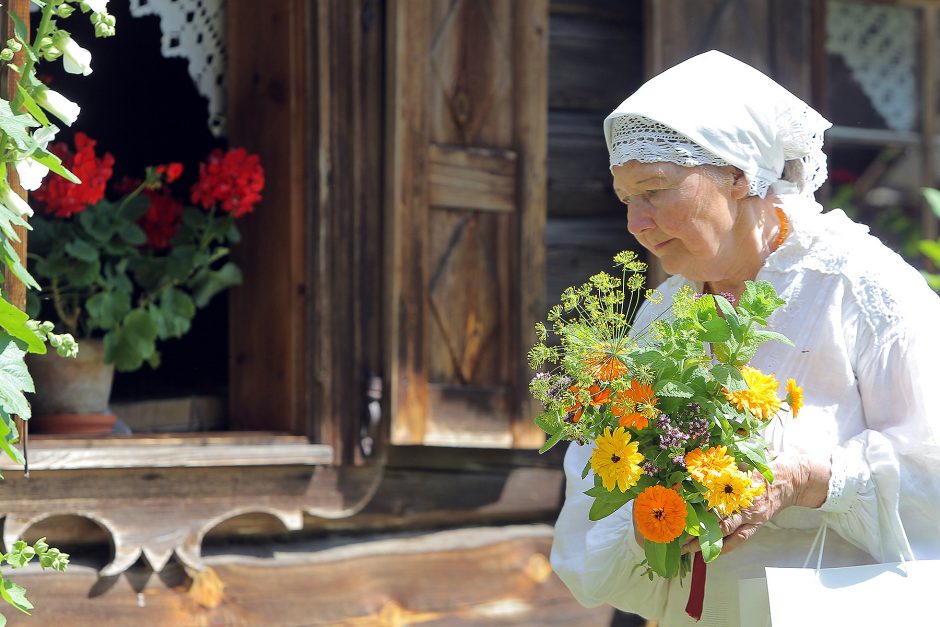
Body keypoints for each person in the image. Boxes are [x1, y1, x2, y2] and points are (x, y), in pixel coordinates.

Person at [549, 50, 940, 626]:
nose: (636, 223)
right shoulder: (663, 318)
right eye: (627, 199)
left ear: (737, 175)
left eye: (654, 190)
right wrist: (651, 514)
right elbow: (593, 505)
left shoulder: (860, 289)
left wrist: (807, 480)